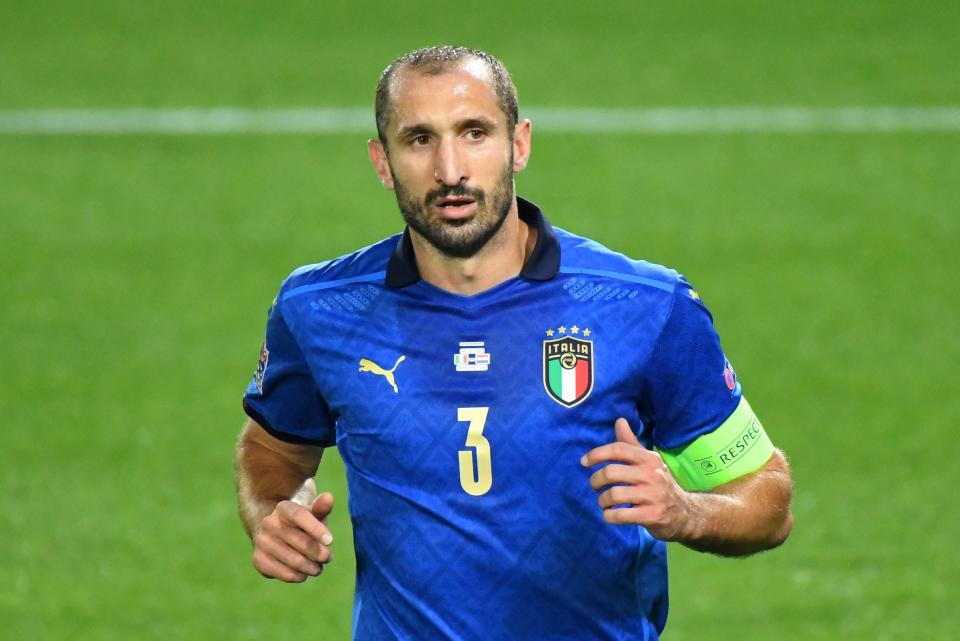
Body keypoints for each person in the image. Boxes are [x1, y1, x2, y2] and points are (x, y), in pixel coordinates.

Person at [235, 45, 794, 640]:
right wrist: (273, 512)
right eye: (419, 140)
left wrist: (687, 512)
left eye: (474, 133)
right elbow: (273, 454)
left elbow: (767, 500)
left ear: (519, 144)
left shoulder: (644, 307)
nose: (450, 169)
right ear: (382, 160)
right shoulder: (319, 311)